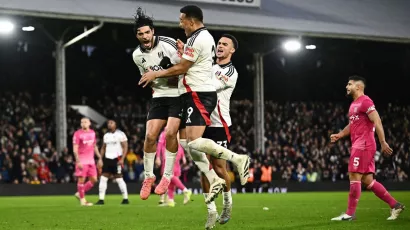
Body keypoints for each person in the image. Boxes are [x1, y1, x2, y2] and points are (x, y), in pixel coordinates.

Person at [139, 5, 250, 209]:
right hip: (192, 96)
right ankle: (211, 208)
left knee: (211, 159)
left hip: (209, 108)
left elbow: (185, 68)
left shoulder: (224, 65)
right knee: (189, 145)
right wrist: (184, 53)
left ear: (190, 21)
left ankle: (235, 171)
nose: (180, 24)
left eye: (182, 20)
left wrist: (157, 73)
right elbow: (194, 66)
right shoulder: (201, 47)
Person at [330, 76, 405, 221]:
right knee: (367, 180)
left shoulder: (365, 101)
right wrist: (340, 135)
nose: (346, 86)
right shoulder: (353, 105)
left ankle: (350, 214)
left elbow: (376, 120)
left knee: (354, 174)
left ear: (358, 87)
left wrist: (383, 141)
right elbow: (352, 125)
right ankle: (395, 205)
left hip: (364, 144)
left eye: (349, 84)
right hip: (359, 143)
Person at [132, 7, 183, 200]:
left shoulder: (169, 44)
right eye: (140, 33)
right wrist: (152, 79)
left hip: (178, 94)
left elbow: (185, 68)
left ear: (153, 31)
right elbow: (149, 78)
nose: (144, 36)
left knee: (171, 132)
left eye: (147, 32)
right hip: (159, 96)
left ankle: (167, 176)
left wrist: (164, 72)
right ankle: (149, 176)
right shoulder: (137, 55)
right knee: (150, 136)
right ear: (136, 36)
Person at [200, 34, 239, 225]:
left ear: (232, 50)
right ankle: (210, 211)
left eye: (225, 44)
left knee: (219, 168)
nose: (220, 46)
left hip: (219, 126)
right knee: (203, 168)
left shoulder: (231, 72)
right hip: (201, 124)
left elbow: (208, 87)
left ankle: (227, 204)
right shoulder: (209, 66)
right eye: (219, 43)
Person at [96, 120, 129, 205]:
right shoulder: (106, 135)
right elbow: (103, 147)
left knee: (119, 179)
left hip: (117, 159)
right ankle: (101, 199)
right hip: (107, 159)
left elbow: (125, 147)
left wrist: (122, 159)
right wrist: (100, 158)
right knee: (103, 178)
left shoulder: (120, 134)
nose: (109, 124)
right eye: (108, 123)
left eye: (111, 123)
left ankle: (125, 198)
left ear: (115, 124)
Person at [156, 130, 192, 207]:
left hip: (169, 154)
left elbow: (159, 145)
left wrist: (158, 157)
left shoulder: (165, 132)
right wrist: (182, 155)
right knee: (171, 181)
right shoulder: (177, 130)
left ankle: (185, 190)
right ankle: (171, 201)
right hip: (177, 153)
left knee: (169, 176)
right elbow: (179, 142)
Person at [73, 117, 102, 206]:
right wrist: (78, 161)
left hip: (91, 161)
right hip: (82, 161)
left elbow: (94, 146)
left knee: (94, 179)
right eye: (82, 122)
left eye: (85, 122)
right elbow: (75, 149)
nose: (83, 123)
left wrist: (100, 157)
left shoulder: (92, 133)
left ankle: (79, 193)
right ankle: (83, 200)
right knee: (81, 180)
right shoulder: (77, 134)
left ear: (89, 123)